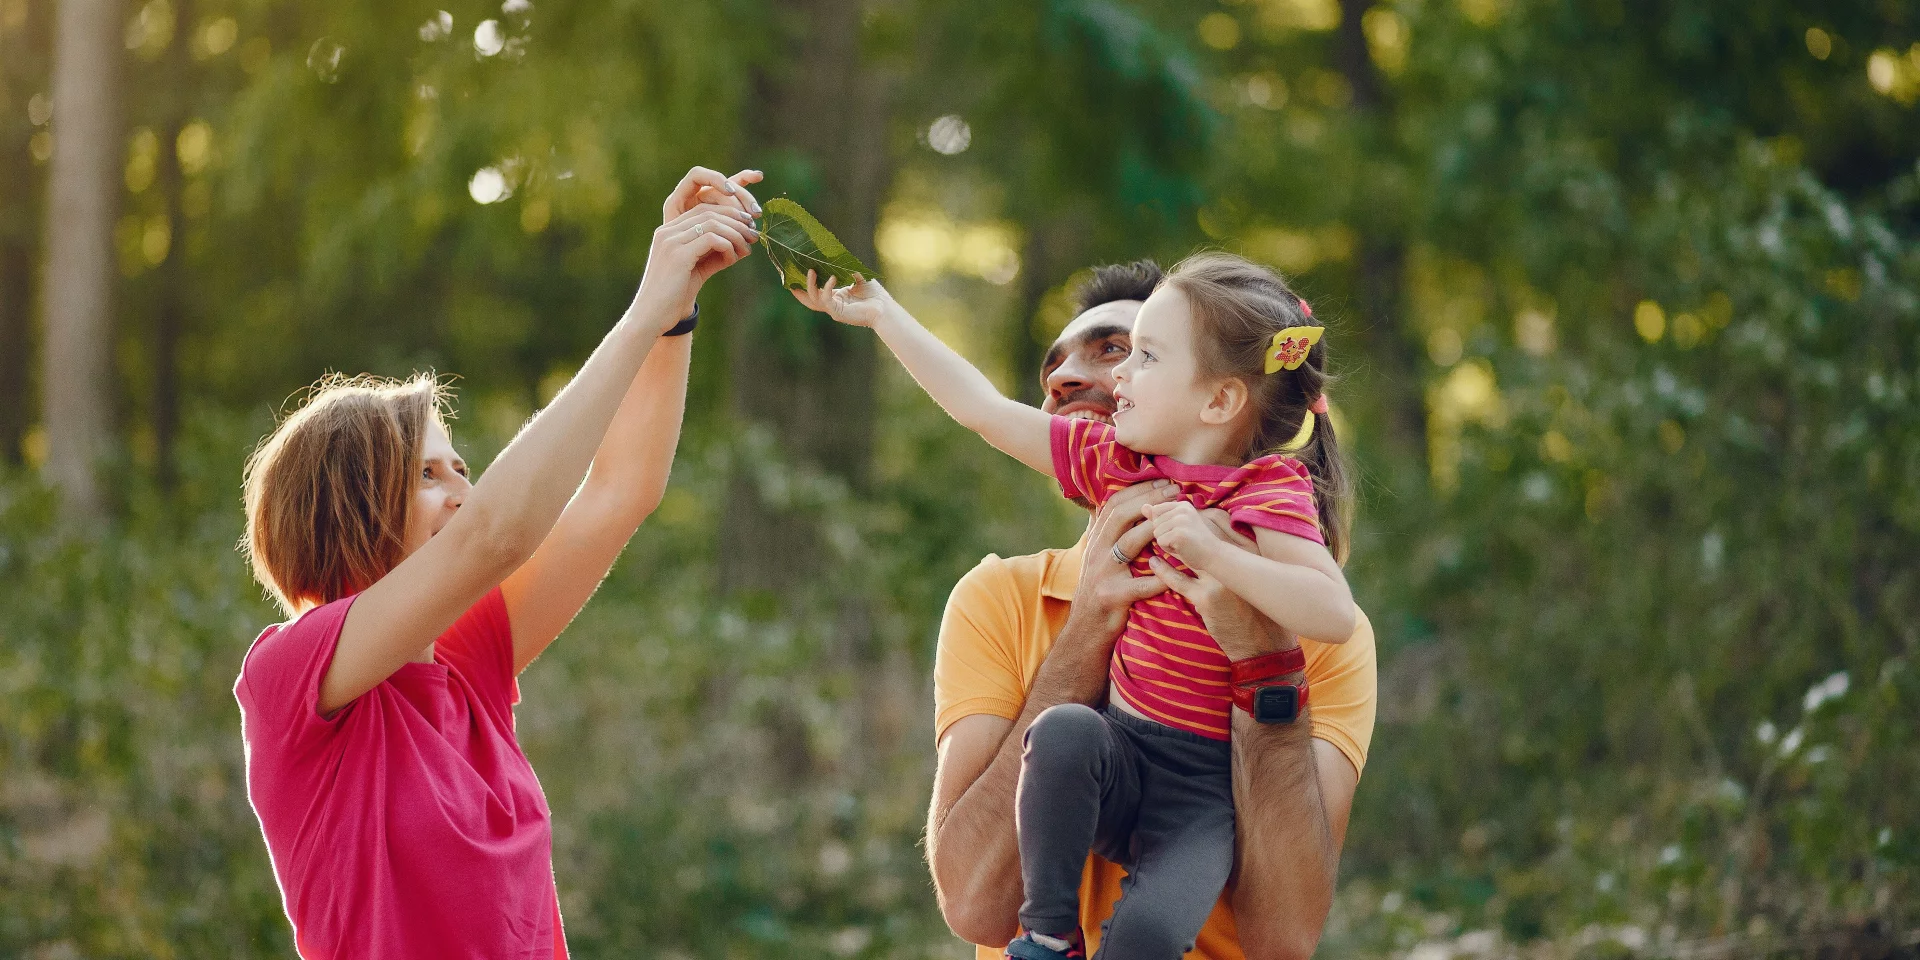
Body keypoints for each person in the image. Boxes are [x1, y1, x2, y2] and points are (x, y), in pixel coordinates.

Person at [232, 166, 762, 959]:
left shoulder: (466, 661)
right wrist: (642, 309)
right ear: (340, 505)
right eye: (424, 474)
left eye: (462, 469)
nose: (461, 492)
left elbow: (622, 490)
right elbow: (497, 535)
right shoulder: (290, 676)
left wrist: (677, 307)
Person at [908, 261, 1376, 960]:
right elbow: (976, 907)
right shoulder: (997, 598)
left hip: (1191, 816)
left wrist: (1262, 660)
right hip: (1093, 789)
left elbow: (1283, 938)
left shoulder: (1316, 625)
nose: (1066, 377)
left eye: (1122, 350)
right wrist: (1085, 633)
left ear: (1220, 398)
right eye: (1053, 366)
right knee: (1065, 737)